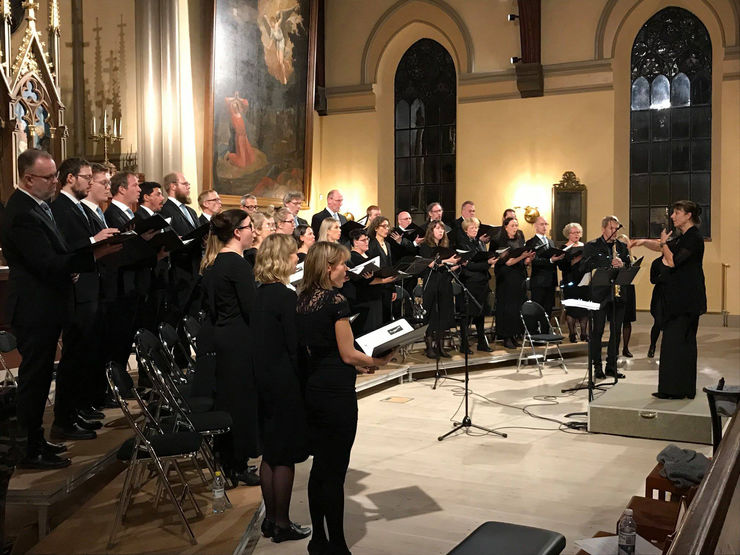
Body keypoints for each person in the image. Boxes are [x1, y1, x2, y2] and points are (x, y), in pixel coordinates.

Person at [0, 149, 100, 468]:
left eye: (56, 175)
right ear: (29, 179)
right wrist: (90, 255)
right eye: (49, 177)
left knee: (42, 377)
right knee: (35, 377)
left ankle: (37, 439)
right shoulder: (21, 211)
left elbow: (52, 255)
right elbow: (43, 262)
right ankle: (28, 449)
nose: (55, 182)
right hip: (34, 306)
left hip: (46, 303)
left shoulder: (39, 206)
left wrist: (68, 265)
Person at [296, 242, 393, 555]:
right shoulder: (336, 301)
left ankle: (318, 540)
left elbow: (321, 350)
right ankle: (337, 544)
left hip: (313, 389)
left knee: (319, 468)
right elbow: (348, 353)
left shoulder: (303, 299)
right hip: (336, 394)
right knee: (335, 471)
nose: (346, 271)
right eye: (342, 265)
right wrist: (377, 362)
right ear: (328, 267)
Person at [50, 158, 120, 439]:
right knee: (73, 356)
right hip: (77, 291)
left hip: (89, 288)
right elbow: (65, 247)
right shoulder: (62, 208)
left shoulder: (74, 207)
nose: (90, 183)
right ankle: (65, 419)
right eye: (86, 177)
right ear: (70, 178)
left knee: (82, 355)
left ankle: (75, 410)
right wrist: (94, 241)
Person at [252, 234, 311, 542]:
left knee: (270, 454)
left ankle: (270, 521)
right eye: (292, 255)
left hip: (262, 379)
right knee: (284, 455)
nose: (296, 260)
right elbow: (294, 345)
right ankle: (282, 523)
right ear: (281, 259)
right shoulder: (286, 298)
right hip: (284, 382)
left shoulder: (260, 294)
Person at [200, 209, 261, 485]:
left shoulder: (214, 263)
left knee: (228, 400)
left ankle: (227, 460)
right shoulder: (237, 265)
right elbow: (252, 309)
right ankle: (236, 464)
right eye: (250, 227)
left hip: (223, 337)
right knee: (240, 403)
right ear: (237, 232)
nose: (254, 232)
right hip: (239, 340)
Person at [630, 201, 706, 399]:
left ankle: (673, 390)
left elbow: (672, 260)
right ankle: (683, 389)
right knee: (681, 344)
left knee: (676, 344)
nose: (672, 216)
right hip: (682, 299)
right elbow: (661, 247)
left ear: (688, 215)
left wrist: (664, 244)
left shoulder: (693, 238)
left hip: (684, 300)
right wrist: (642, 242)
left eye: (676, 212)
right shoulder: (684, 237)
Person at [581, 216, 631, 379]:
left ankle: (611, 366)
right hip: (599, 294)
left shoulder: (622, 247)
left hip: (618, 294)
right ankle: (597, 367)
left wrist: (623, 265)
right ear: (603, 229)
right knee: (598, 331)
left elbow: (630, 266)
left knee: (616, 331)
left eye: (617, 228)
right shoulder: (592, 246)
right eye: (611, 228)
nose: (615, 232)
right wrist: (607, 262)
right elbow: (584, 266)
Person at [418, 220, 460, 358]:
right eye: (437, 229)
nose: (441, 231)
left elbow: (445, 265)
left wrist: (455, 265)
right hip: (431, 284)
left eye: (442, 229)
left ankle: (440, 346)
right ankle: (429, 347)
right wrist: (448, 262)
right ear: (431, 231)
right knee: (431, 316)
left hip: (444, 283)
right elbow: (431, 264)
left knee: (443, 315)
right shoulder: (425, 246)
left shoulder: (446, 246)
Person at [494, 217, 535, 349]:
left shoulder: (519, 239)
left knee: (517, 307)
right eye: (512, 225)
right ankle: (506, 336)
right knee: (508, 308)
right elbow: (508, 262)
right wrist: (522, 256)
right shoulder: (501, 241)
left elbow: (521, 261)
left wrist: (528, 259)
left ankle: (514, 334)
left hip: (518, 277)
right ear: (505, 227)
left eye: (516, 225)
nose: (515, 228)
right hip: (506, 278)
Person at [347, 228, 396, 335]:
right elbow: (361, 281)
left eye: (367, 239)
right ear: (355, 242)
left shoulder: (369, 255)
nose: (366, 242)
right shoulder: (352, 258)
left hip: (376, 296)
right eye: (363, 240)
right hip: (365, 299)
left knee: (378, 326)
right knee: (368, 329)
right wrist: (383, 280)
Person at [458, 217, 496, 352]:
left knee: (481, 313)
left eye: (476, 227)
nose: (475, 230)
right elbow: (469, 266)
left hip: (482, 281)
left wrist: (488, 261)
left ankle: (482, 342)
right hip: (470, 282)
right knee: (467, 315)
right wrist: (487, 263)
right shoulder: (463, 244)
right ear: (466, 230)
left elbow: (476, 262)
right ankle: (464, 344)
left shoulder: (479, 243)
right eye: (472, 228)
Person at [558, 222, 589, 342]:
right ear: (568, 234)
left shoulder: (585, 247)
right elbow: (561, 266)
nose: (576, 235)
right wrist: (574, 260)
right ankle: (572, 334)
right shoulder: (563, 248)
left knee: (584, 308)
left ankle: (584, 334)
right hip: (570, 281)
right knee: (572, 309)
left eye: (578, 232)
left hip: (584, 281)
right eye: (573, 232)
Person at [529, 217, 565, 317]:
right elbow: (534, 261)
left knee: (548, 310)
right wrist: (550, 260)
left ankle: (546, 331)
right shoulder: (531, 242)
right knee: (537, 309)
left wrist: (559, 258)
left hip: (551, 281)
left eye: (546, 224)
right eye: (541, 224)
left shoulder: (551, 242)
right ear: (535, 226)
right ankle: (537, 332)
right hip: (539, 281)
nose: (544, 226)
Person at [617, 234, 637, 357]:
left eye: (625, 243)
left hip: (628, 289)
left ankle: (625, 347)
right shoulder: (614, 258)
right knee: (617, 320)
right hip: (617, 288)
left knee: (627, 320)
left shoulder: (632, 258)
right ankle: (615, 348)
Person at [647, 255, 666, 358]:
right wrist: (662, 277)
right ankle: (652, 345)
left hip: (672, 295)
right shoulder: (656, 262)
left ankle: (666, 348)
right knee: (658, 322)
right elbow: (652, 280)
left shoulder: (676, 260)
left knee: (670, 323)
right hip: (659, 295)